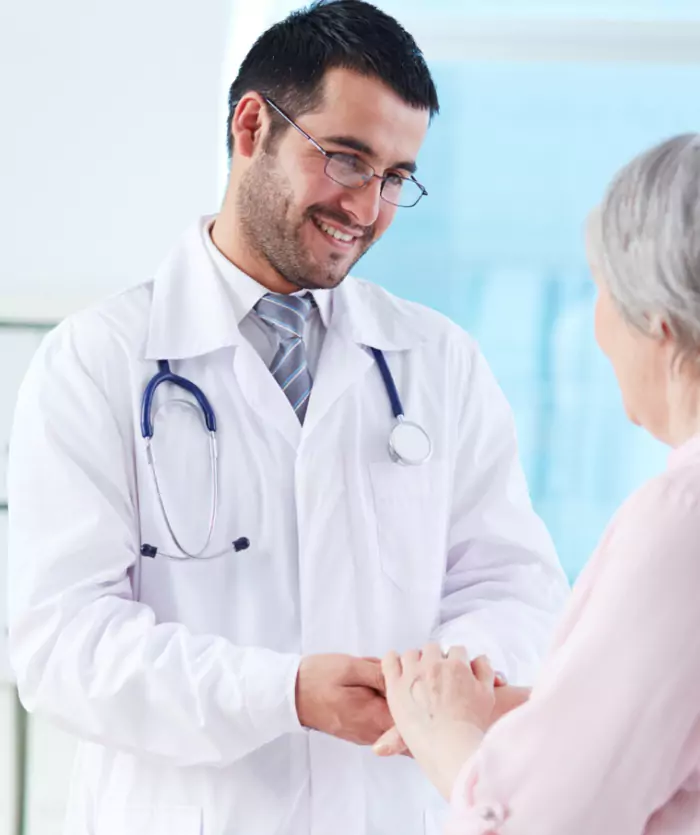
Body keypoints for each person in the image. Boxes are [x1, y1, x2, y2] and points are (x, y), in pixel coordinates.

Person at [6, 2, 568, 834]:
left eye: (397, 177)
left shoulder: (437, 361)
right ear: (250, 127)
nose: (369, 208)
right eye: (347, 159)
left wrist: (443, 677)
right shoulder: (96, 362)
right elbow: (60, 644)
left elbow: (517, 586)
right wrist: (283, 693)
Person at [378, 133, 700, 835]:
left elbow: (530, 825)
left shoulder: (680, 523)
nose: (595, 325)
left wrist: (443, 731)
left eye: (600, 289)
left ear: (658, 322)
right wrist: (545, 712)